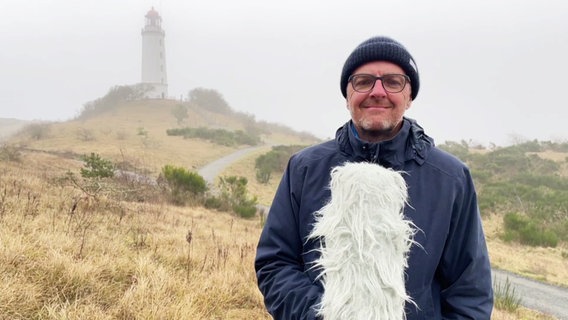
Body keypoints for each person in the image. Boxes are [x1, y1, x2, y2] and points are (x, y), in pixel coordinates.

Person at [254, 36, 494, 319]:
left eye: (393, 82)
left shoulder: (451, 178)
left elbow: (469, 291)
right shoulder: (304, 168)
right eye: (363, 81)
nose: (377, 91)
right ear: (347, 96)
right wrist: (322, 314)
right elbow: (275, 263)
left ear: (410, 96)